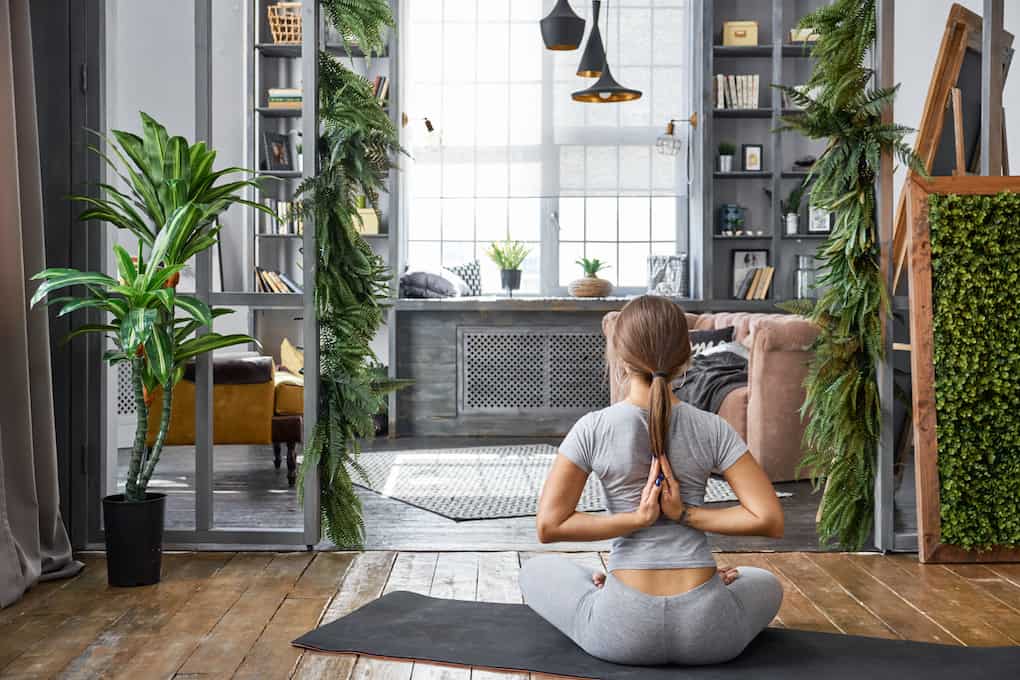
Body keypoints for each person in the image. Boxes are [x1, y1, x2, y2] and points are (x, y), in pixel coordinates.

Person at [519, 295, 785, 666]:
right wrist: (685, 514)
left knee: (535, 570)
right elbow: (769, 519)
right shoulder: (712, 427)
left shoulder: (593, 427)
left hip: (621, 629)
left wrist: (636, 520)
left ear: (620, 357)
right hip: (709, 632)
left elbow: (549, 526)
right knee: (763, 581)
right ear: (687, 357)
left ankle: (609, 583)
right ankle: (689, 585)